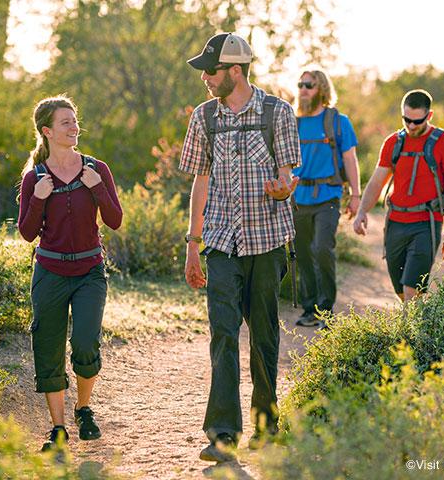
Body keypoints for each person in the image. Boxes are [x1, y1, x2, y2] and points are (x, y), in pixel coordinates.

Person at [178, 32, 300, 463]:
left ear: (234, 70)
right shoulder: (204, 117)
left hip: (266, 244)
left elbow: (288, 177)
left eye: (210, 71)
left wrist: (284, 189)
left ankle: (267, 426)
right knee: (223, 334)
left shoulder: (277, 113)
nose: (205, 79)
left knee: (264, 337)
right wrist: (193, 244)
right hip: (221, 245)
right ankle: (223, 433)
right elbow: (200, 180)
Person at [17, 95, 123, 452]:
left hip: (90, 271)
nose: (74, 127)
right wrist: (38, 198)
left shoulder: (97, 169)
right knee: (47, 348)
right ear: (47, 131)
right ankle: (58, 428)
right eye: (66, 122)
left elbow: (115, 220)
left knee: (84, 343)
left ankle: (84, 408)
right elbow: (27, 232)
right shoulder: (36, 177)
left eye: (75, 120)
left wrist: (96, 187)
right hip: (49, 272)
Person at [352, 89, 444, 303]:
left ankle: (409, 336)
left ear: (429, 116)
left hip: (426, 224)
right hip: (395, 223)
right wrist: (361, 212)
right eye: (406, 120)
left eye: (417, 121)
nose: (411, 126)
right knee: (402, 291)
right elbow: (377, 181)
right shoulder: (393, 143)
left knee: (412, 288)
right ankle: (421, 327)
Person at [292, 69, 360, 328]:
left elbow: (350, 159)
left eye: (308, 84)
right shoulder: (293, 122)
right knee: (304, 254)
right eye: (300, 85)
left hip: (328, 196)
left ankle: (326, 310)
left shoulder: (338, 121)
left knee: (321, 248)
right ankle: (310, 310)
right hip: (298, 198)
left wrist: (356, 195)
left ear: (321, 88)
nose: (303, 89)